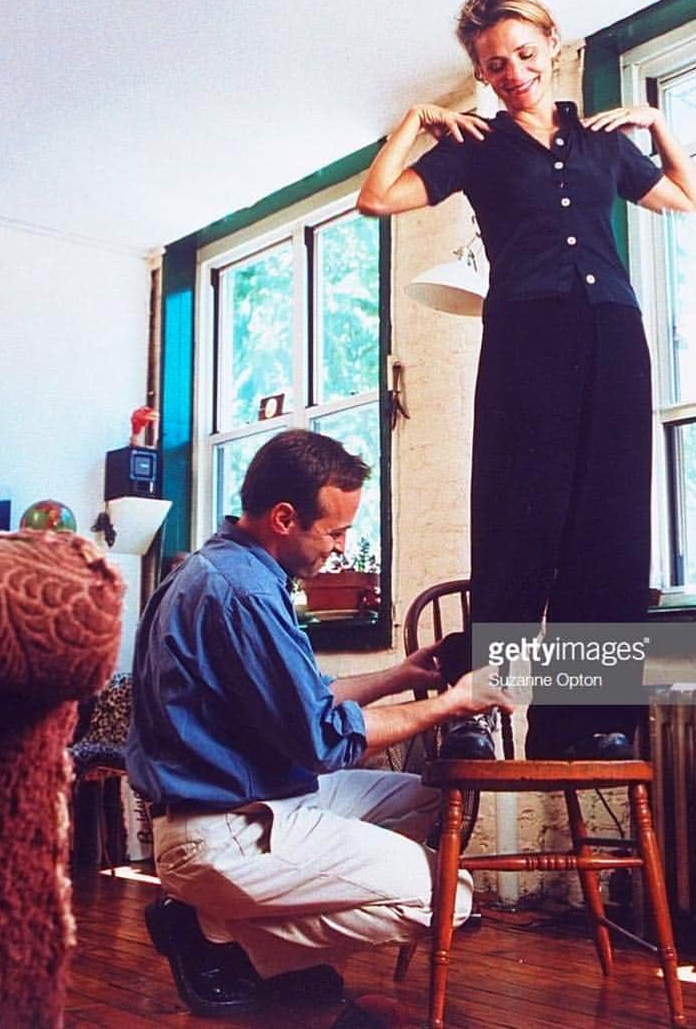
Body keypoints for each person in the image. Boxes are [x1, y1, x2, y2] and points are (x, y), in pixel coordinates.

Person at [358, 0, 696, 761]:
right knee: (516, 518)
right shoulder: (472, 147)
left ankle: (584, 721)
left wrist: (657, 124)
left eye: (524, 53)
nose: (513, 72)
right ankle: (476, 710)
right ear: (480, 72)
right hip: (525, 337)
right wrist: (415, 121)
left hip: (614, 335)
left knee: (609, 526)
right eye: (495, 64)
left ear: (551, 44)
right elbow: (376, 200)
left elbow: (691, 201)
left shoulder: (605, 144)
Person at [126, 429, 511, 1018]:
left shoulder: (221, 570)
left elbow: (301, 700)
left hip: (242, 803)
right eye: (334, 532)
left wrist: (399, 676)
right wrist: (450, 704)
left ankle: (225, 925)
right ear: (284, 519)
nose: (342, 548)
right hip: (219, 830)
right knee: (450, 898)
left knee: (424, 797)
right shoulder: (244, 592)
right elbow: (323, 740)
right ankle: (224, 941)